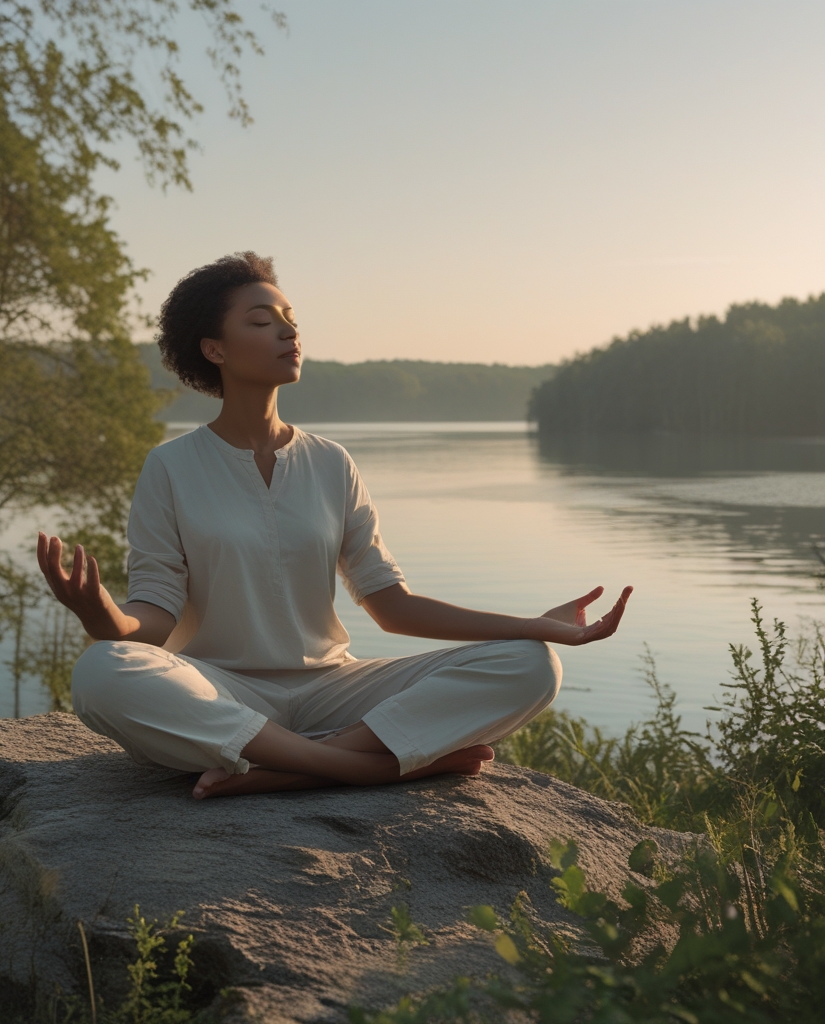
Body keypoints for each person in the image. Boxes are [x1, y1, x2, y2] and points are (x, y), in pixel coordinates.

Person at [37, 252, 631, 800]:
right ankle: (362, 766)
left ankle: (280, 770)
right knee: (100, 671)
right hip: (219, 688)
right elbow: (155, 621)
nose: (289, 332)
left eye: (290, 318)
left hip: (332, 692)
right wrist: (99, 615)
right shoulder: (170, 466)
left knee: (531, 665)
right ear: (214, 349)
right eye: (262, 321)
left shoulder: (330, 462)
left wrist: (536, 627)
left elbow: (392, 607)